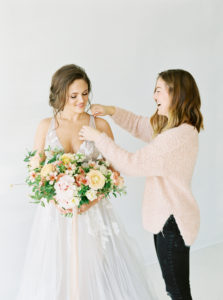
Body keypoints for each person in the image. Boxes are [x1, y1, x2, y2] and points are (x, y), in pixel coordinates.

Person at [17, 64, 155, 300]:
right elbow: (36, 173)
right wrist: (57, 198)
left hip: (93, 215)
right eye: (74, 96)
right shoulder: (45, 126)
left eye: (85, 93)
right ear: (60, 95)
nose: (82, 100)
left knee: (92, 271)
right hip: (55, 216)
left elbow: (114, 170)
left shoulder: (99, 125)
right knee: (55, 272)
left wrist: (91, 200)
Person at [79, 69, 204, 300]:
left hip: (172, 222)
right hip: (170, 220)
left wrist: (98, 138)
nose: (154, 95)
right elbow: (140, 125)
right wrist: (111, 111)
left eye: (158, 90)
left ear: (175, 94)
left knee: (176, 290)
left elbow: (131, 164)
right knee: (176, 287)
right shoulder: (178, 129)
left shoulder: (174, 138)